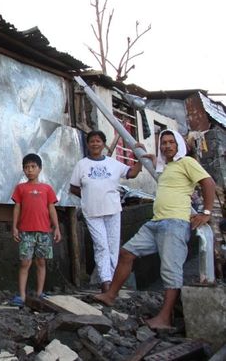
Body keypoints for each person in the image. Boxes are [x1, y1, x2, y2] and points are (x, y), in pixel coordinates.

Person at [94, 129, 216, 330]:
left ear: (179, 145)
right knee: (126, 252)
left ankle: (165, 318)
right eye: (163, 143)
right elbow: (155, 166)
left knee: (170, 271)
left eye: (171, 142)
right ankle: (110, 295)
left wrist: (207, 211)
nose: (167, 146)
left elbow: (208, 182)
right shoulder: (167, 167)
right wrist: (145, 156)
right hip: (156, 222)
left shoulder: (187, 162)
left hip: (175, 223)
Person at [69, 130, 144, 293]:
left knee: (113, 246)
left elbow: (131, 173)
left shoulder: (113, 163)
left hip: (113, 210)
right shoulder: (82, 165)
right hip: (92, 212)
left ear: (103, 144)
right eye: (92, 141)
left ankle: (112, 280)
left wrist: (140, 158)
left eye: (98, 141)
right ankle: (106, 281)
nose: (95, 144)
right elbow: (73, 188)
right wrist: (89, 196)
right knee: (101, 245)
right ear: (88, 145)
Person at [10, 153, 62, 306]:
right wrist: (14, 227)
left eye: (33, 167)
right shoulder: (20, 188)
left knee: (41, 262)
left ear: (40, 169)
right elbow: (17, 208)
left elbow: (52, 209)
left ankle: (40, 293)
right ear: (23, 170)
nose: (30, 170)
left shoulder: (47, 189)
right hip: (25, 231)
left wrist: (57, 228)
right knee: (25, 263)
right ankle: (22, 296)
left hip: (45, 231)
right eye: (26, 167)